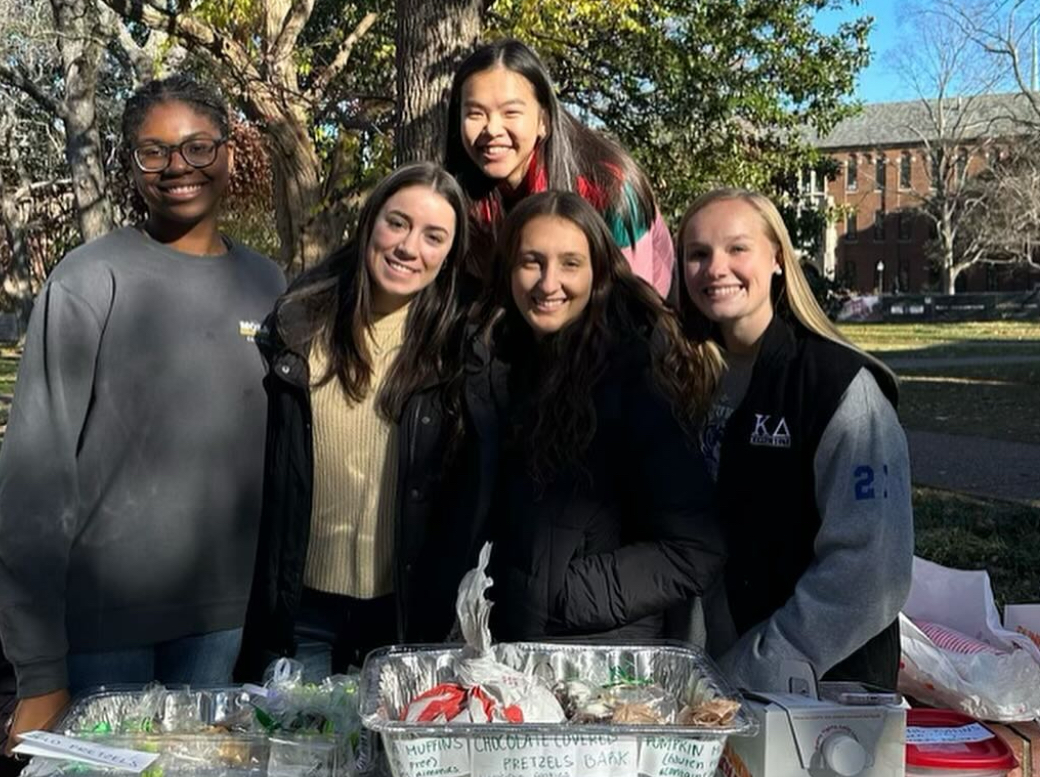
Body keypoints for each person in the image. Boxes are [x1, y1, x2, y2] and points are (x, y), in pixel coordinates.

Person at [0, 74, 286, 740]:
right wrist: (39, 671)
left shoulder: (268, 285)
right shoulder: (89, 280)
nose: (177, 166)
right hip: (105, 631)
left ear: (229, 154)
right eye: (153, 151)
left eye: (197, 147)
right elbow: (31, 483)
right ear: (132, 165)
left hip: (226, 629)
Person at [239, 163, 470, 680]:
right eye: (397, 223)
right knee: (301, 754)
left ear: (450, 256)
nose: (409, 247)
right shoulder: (297, 325)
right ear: (369, 223)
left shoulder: (459, 351)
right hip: (303, 613)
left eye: (435, 236)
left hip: (402, 616)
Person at [676, 188, 913, 692]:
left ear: (778, 258)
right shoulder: (683, 379)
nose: (716, 267)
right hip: (710, 683)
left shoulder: (839, 387)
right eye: (698, 254)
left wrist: (759, 666)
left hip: (822, 691)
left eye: (737, 248)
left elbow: (870, 571)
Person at [467, 190, 725, 641]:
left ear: (598, 274)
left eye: (570, 263)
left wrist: (556, 593)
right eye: (532, 261)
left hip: (602, 663)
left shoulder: (634, 379)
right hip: (513, 652)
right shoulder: (497, 367)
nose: (549, 283)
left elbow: (693, 551)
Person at [444, 39, 676, 295]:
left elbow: (635, 307)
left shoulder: (609, 187)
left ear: (544, 120)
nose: (492, 129)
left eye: (511, 113)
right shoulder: (459, 196)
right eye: (475, 114)